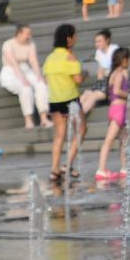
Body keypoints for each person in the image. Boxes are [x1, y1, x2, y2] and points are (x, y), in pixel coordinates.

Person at [46, 24, 87, 186]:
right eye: (74, 36)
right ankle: (67, 164)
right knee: (82, 129)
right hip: (70, 99)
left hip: (54, 100)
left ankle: (54, 169)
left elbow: (46, 79)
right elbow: (77, 80)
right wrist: (84, 74)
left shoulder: (50, 58)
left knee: (59, 135)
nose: (76, 39)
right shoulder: (70, 57)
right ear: (68, 39)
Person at [2, 25, 53, 129]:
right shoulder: (8, 44)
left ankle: (44, 118)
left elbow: (33, 61)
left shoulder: (31, 44)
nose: (29, 36)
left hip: (26, 69)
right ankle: (28, 120)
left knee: (41, 85)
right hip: (10, 70)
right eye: (27, 34)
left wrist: (39, 76)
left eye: (30, 34)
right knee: (25, 88)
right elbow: (13, 63)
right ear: (19, 34)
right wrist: (22, 79)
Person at [96, 47, 130, 182]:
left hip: (117, 109)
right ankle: (101, 169)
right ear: (123, 60)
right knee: (109, 141)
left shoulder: (115, 73)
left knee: (124, 141)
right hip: (119, 109)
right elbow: (117, 91)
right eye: (128, 59)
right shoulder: (119, 74)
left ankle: (124, 168)